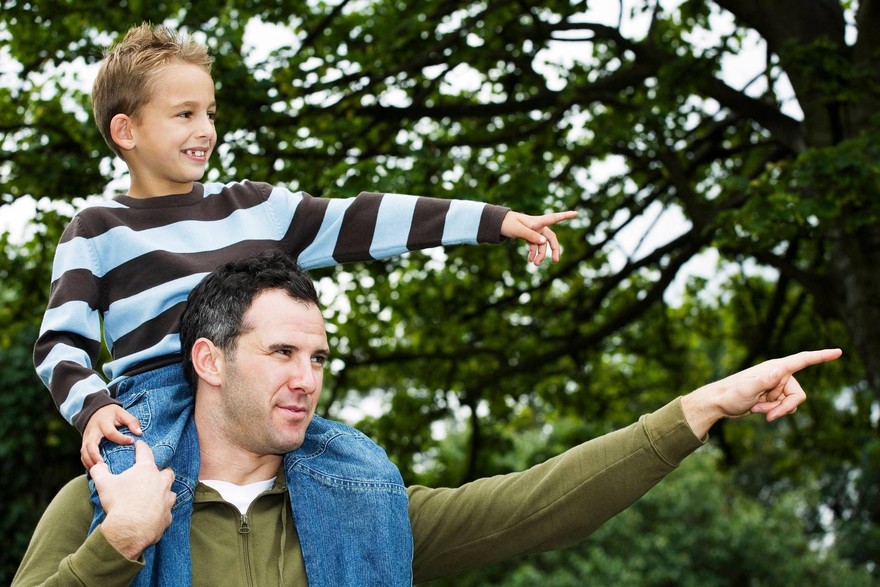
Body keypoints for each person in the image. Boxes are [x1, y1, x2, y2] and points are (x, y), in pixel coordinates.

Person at [31, 23, 576, 586]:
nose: (205, 130)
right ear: (126, 130)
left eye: (210, 113)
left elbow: (364, 218)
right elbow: (59, 343)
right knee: (129, 496)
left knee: (367, 471)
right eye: (184, 114)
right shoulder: (97, 230)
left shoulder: (254, 208)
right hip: (155, 407)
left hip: (256, 394)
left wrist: (492, 221)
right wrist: (92, 407)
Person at [15, 251, 843, 586]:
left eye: (319, 358)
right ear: (209, 360)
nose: (307, 379)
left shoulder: (363, 505)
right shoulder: (101, 502)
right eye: (282, 353)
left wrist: (701, 407)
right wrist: (116, 547)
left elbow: (538, 506)